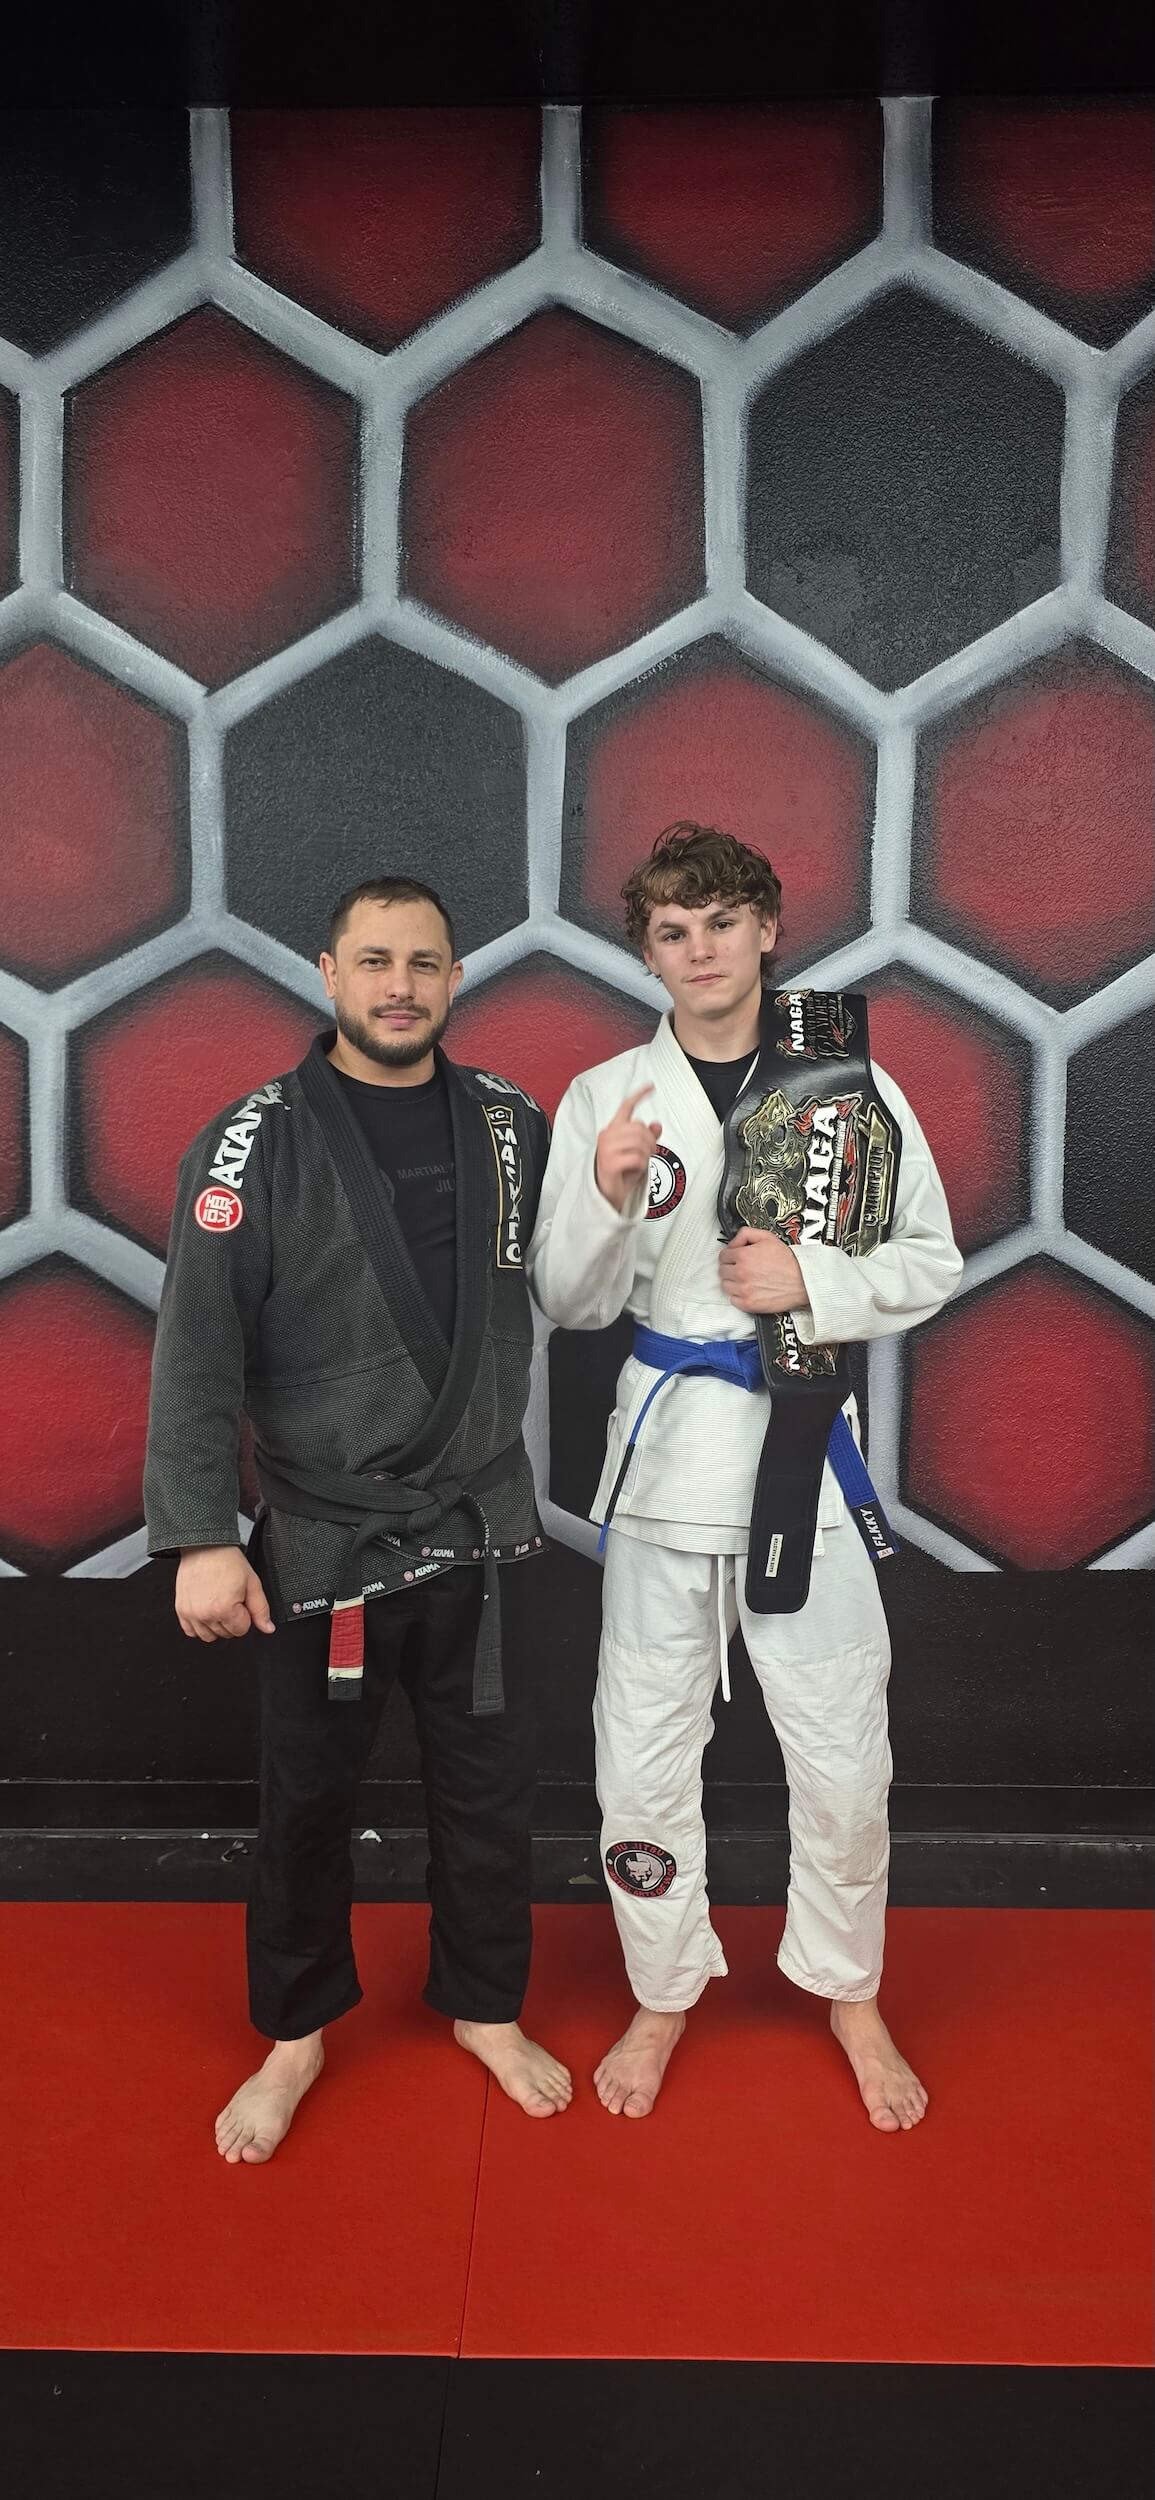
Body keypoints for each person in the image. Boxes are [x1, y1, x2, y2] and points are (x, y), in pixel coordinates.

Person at [527, 824, 962, 2132]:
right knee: (639, 1753)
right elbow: (560, 1295)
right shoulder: (609, 1097)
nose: (699, 950)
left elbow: (928, 1260)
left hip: (800, 1460)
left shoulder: (845, 1089)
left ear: (767, 928)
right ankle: (662, 1991)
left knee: (839, 1753)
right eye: (671, 929)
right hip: (664, 1470)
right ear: (645, 949)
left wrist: (812, 1282)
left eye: (720, 922)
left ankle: (846, 1988)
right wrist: (603, 1202)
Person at [145, 876, 572, 2162]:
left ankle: (486, 2006)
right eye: (375, 960)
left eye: (426, 962)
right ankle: (296, 2029)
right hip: (324, 1541)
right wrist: (202, 1532)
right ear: (326, 971)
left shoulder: (512, 1123)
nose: (402, 984)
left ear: (456, 977)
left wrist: (631, 1192)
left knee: (492, 1795)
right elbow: (197, 1347)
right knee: (308, 1803)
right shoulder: (250, 1140)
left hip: (481, 1525)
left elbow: (583, 1272)